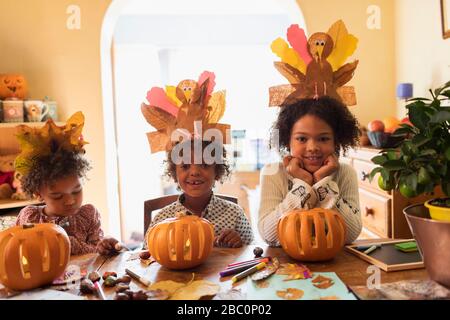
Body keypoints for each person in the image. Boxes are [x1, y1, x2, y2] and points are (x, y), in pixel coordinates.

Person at [258, 96, 362, 246]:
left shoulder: (346, 173)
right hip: (286, 264)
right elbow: (268, 235)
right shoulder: (272, 172)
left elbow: (351, 234)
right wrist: (303, 183)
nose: (312, 147)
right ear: (288, 141)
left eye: (323, 139)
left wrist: (321, 182)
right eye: (301, 139)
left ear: (336, 141)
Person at [15, 113, 119, 255]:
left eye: (76, 191)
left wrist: (106, 247)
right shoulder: (30, 217)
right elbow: (19, 252)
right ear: (38, 194)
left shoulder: (88, 215)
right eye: (57, 196)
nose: (70, 201)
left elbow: (97, 254)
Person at [145, 139, 254, 248]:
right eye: (185, 166)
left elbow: (254, 254)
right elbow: (146, 256)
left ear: (217, 171)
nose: (194, 172)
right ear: (174, 173)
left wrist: (239, 245)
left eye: (204, 165)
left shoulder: (234, 214)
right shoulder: (162, 219)